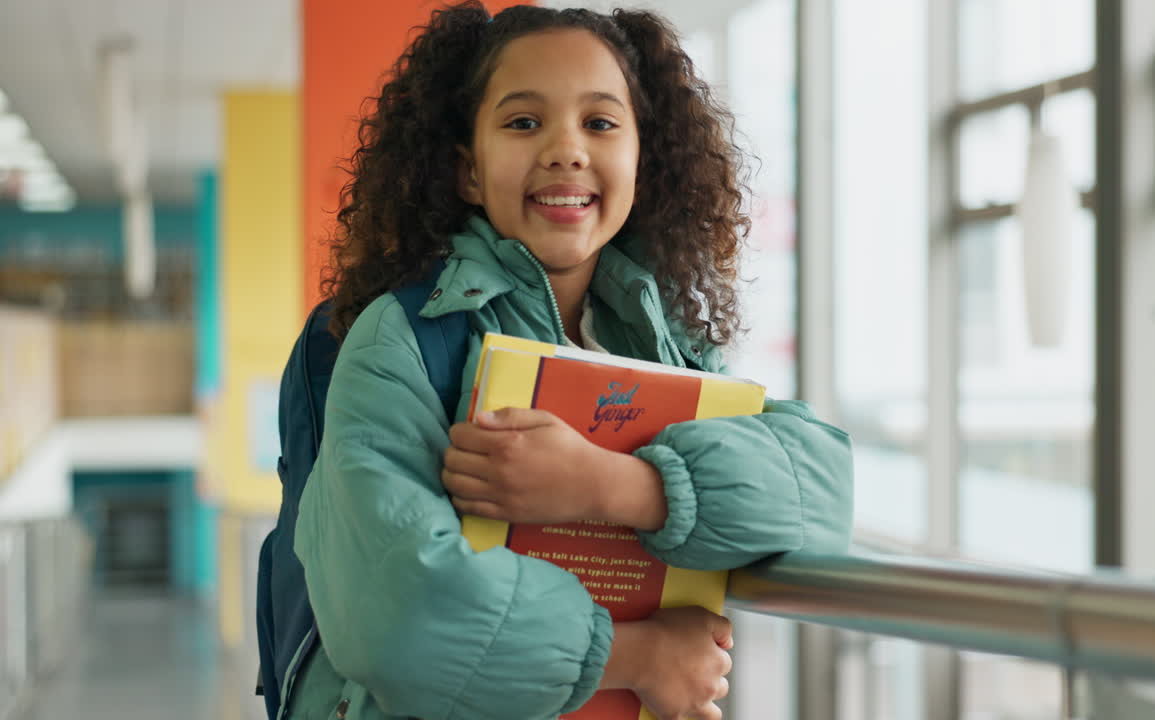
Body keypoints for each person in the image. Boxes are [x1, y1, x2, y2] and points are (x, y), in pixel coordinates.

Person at [290, 3, 853, 720]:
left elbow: (822, 501)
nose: (566, 149)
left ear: (642, 160)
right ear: (468, 168)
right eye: (523, 123)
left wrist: (615, 485)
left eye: (601, 122)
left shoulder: (668, 342)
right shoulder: (399, 339)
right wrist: (644, 657)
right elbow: (399, 615)